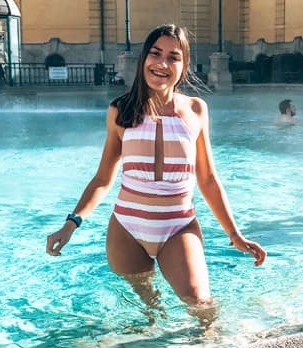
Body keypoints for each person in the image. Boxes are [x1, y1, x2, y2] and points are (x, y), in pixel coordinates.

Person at [46, 23, 266, 312]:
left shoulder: (196, 110)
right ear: (143, 59)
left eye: (173, 57)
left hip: (178, 226)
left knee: (200, 303)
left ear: (184, 64)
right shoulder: (120, 111)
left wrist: (234, 234)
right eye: (155, 53)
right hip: (126, 229)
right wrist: (70, 224)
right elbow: (102, 178)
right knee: (150, 307)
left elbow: (208, 178)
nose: (162, 63)